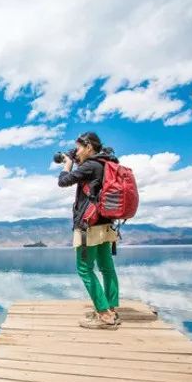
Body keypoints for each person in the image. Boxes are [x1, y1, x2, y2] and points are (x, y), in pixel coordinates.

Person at [57, 132, 121, 329]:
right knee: (106, 268)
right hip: (106, 225)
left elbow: (63, 181)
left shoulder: (90, 166)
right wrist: (77, 160)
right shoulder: (105, 163)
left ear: (89, 147)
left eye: (78, 148)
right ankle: (111, 308)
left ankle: (103, 314)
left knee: (84, 268)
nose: (76, 152)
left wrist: (67, 165)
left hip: (89, 226)